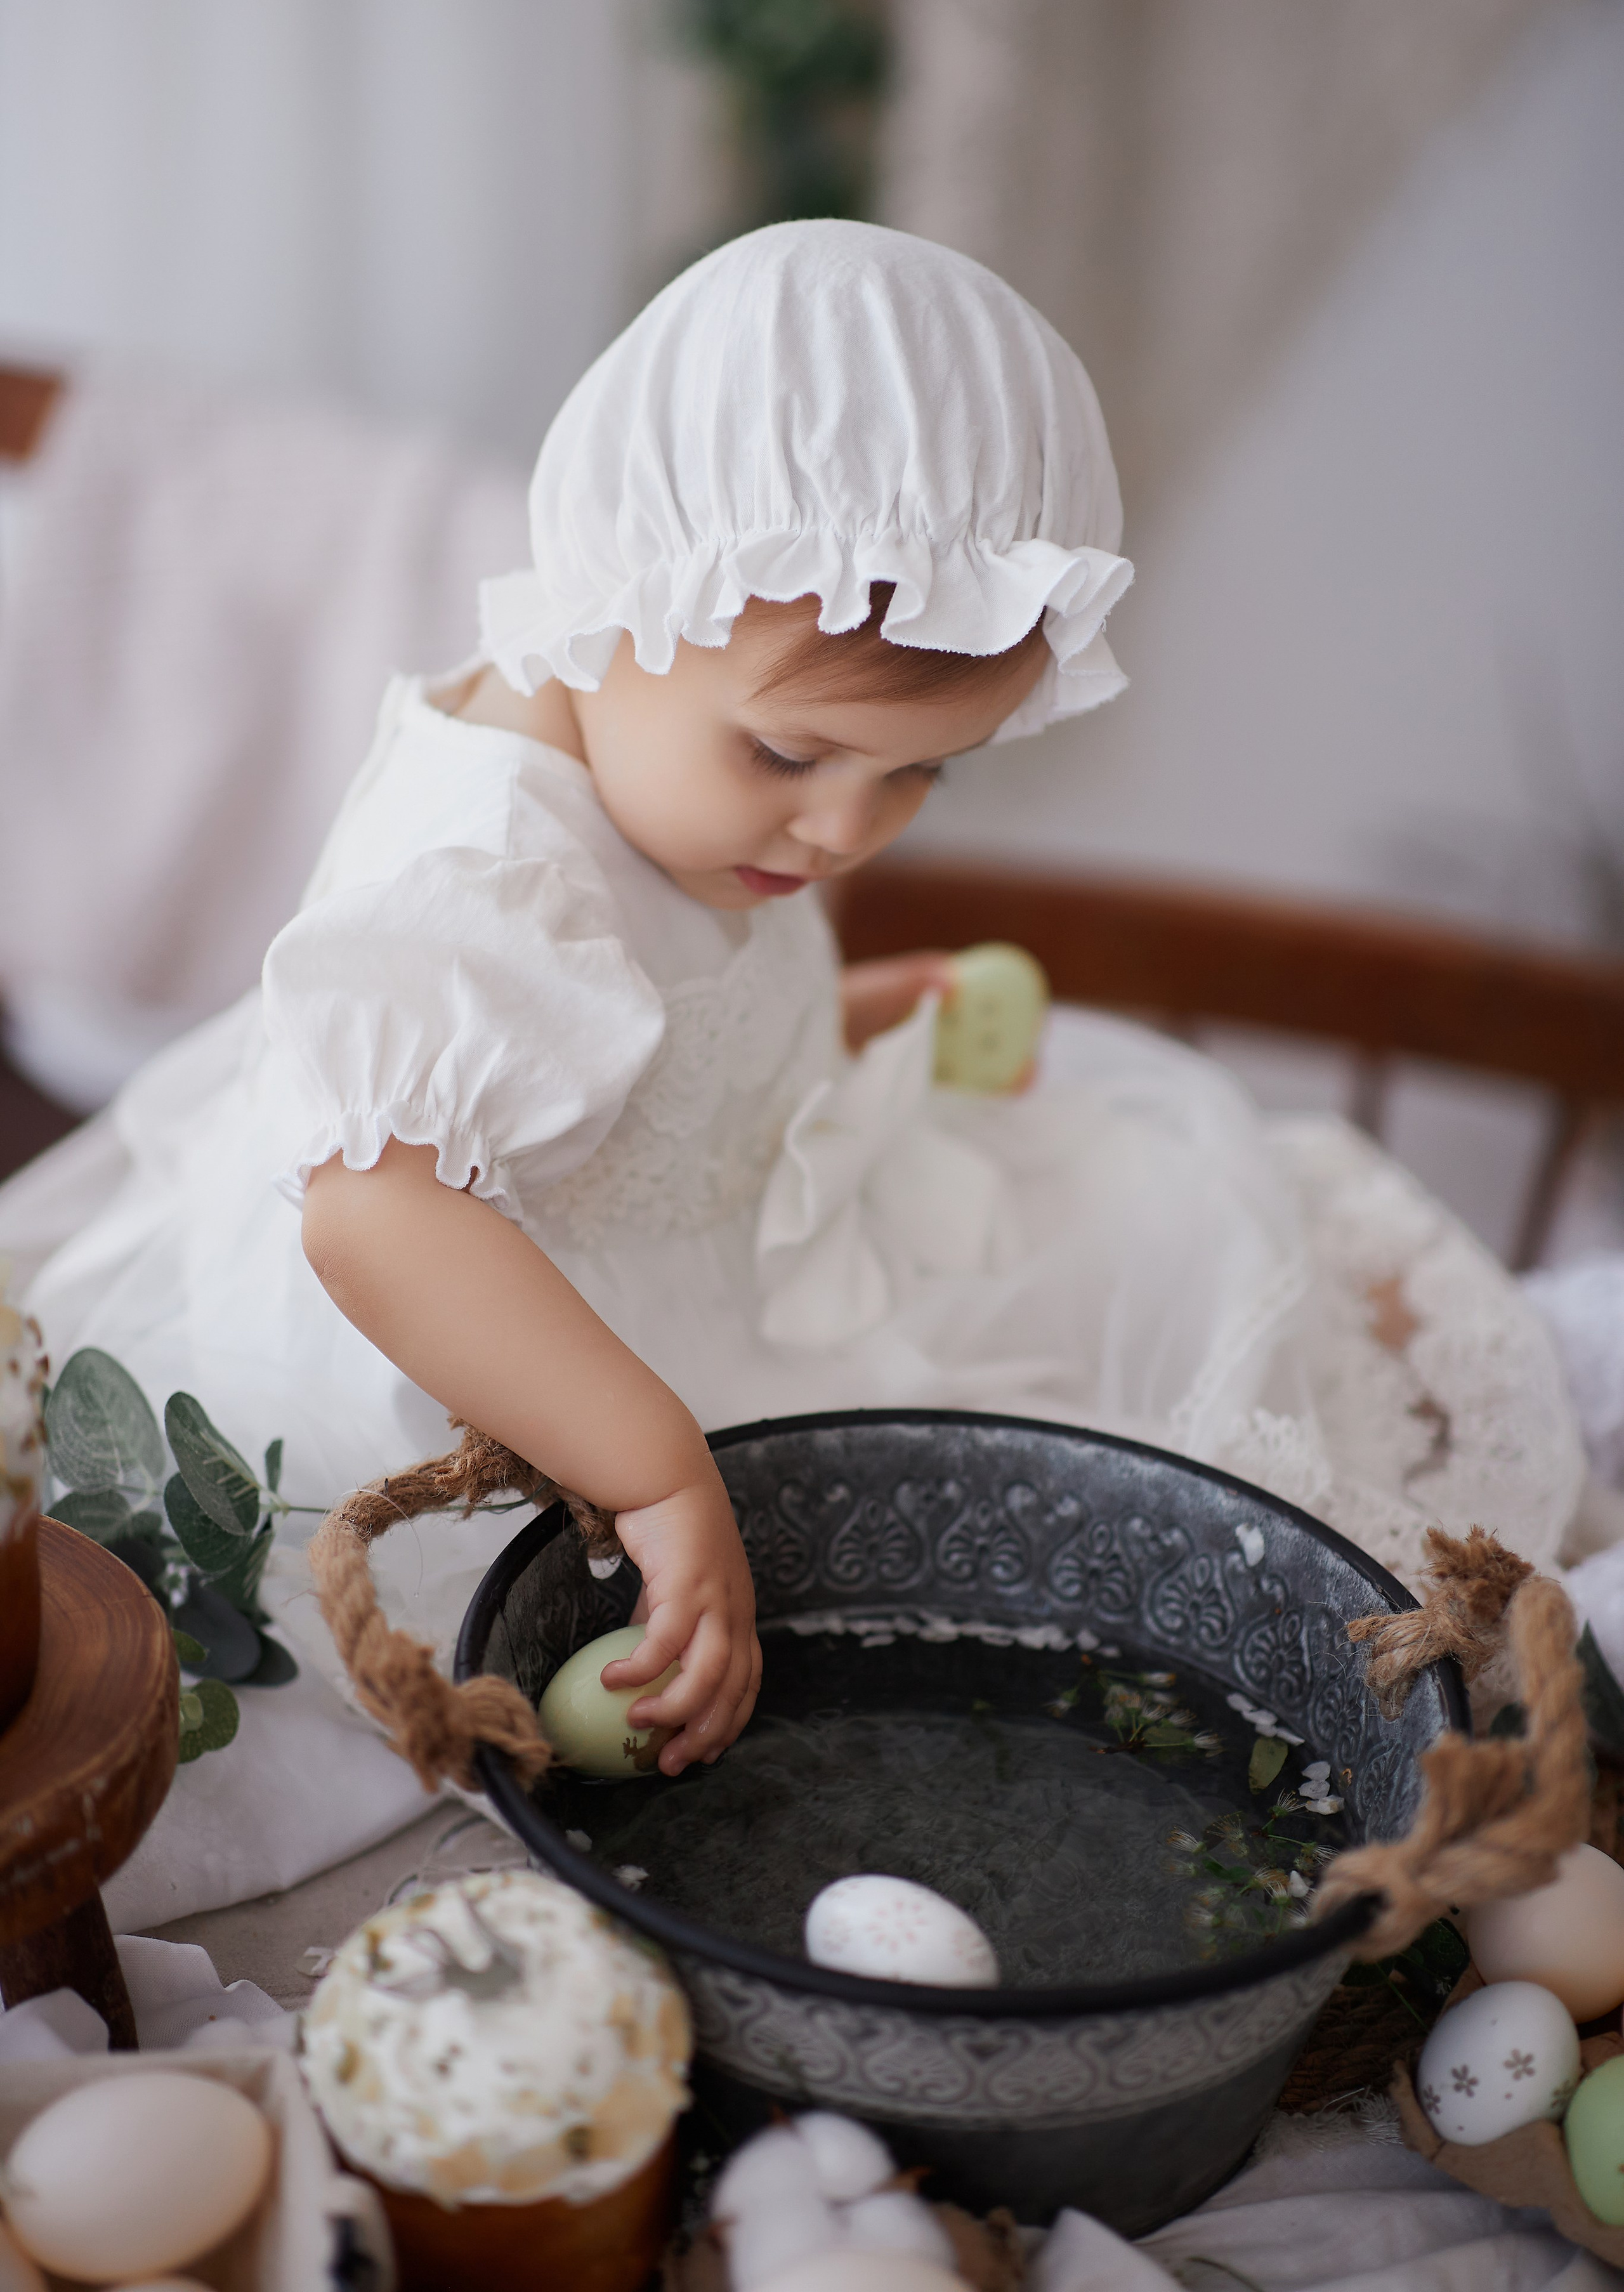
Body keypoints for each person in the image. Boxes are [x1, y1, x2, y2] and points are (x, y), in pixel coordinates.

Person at [8, 223, 1581, 1909]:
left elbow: (619, 1038)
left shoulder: (668, 773)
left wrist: (804, 1015)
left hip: (702, 1225)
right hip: (484, 1350)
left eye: (924, 781)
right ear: (621, 603)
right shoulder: (480, 880)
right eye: (794, 755)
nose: (845, 832)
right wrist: (651, 1469)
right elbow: (375, 1216)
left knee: (1160, 1217)